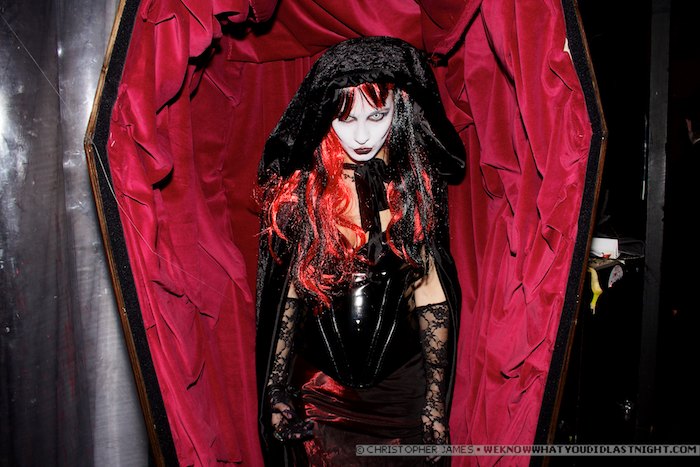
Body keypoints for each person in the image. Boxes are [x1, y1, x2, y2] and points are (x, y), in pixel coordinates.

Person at [255, 36, 465, 466]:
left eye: (376, 115)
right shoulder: (305, 190)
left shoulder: (415, 186)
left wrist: (434, 400)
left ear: (399, 108)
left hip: (400, 394)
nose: (363, 135)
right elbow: (288, 294)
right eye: (346, 118)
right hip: (322, 393)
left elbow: (430, 293)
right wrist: (276, 389)